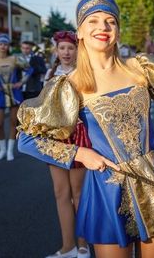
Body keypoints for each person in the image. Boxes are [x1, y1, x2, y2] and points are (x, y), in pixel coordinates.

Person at [17, 0, 154, 258]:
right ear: (79, 32)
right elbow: (27, 138)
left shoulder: (140, 68)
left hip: (152, 179)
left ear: (117, 30)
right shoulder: (70, 86)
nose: (102, 27)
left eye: (110, 21)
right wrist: (80, 153)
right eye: (93, 20)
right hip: (107, 189)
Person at [43, 31, 91, 258]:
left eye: (70, 48)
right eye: (62, 48)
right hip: (55, 138)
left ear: (77, 51)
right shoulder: (50, 74)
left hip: (78, 135)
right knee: (60, 192)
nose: (66, 52)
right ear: (56, 51)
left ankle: (83, 244)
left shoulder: (84, 74)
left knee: (78, 193)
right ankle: (67, 246)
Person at [0, 34, 31, 161]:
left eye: (5, 44)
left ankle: (10, 150)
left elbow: (30, 69)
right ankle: (2, 149)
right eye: (1, 44)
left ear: (8, 46)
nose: (3, 46)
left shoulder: (14, 59)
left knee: (13, 122)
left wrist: (21, 82)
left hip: (14, 92)